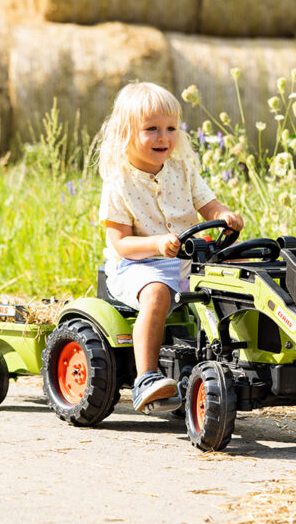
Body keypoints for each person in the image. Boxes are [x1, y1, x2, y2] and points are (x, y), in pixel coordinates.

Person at [98, 82, 244, 412]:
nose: (163, 137)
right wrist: (156, 243)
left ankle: (236, 355)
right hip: (137, 266)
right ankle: (146, 378)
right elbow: (121, 244)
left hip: (187, 259)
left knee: (240, 274)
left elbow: (210, 207)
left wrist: (225, 216)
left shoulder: (183, 170)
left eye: (170, 128)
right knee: (157, 294)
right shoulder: (119, 182)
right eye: (151, 129)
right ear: (126, 133)